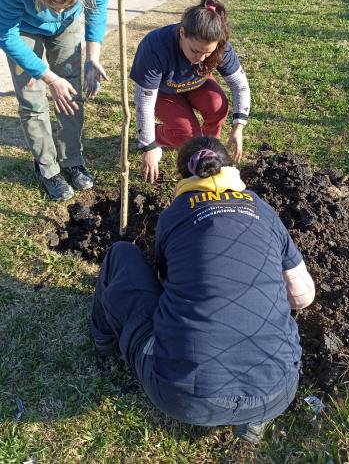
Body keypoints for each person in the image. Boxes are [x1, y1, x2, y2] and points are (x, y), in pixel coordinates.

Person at [91, 136, 315, 443]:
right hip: (278, 390)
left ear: (185, 176)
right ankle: (253, 419)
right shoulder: (264, 211)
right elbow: (304, 296)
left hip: (180, 394)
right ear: (231, 168)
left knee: (120, 254)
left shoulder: (175, 214)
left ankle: (103, 341)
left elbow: (165, 281)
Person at [0, 0, 109, 201]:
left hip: (69, 28)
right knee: (33, 100)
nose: (57, 12)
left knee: (70, 93)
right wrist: (49, 77)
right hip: (23, 29)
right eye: (52, 6)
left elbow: (96, 9)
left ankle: (72, 160)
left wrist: (93, 58)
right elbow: (6, 34)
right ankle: (48, 169)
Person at [130, 0, 251, 183]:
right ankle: (161, 134)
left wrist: (238, 127)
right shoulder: (155, 47)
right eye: (195, 51)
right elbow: (145, 101)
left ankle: (208, 149)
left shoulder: (220, 45)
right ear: (182, 33)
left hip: (196, 84)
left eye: (208, 53)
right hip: (163, 92)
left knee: (217, 105)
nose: (201, 59)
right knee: (187, 136)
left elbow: (239, 85)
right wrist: (149, 145)